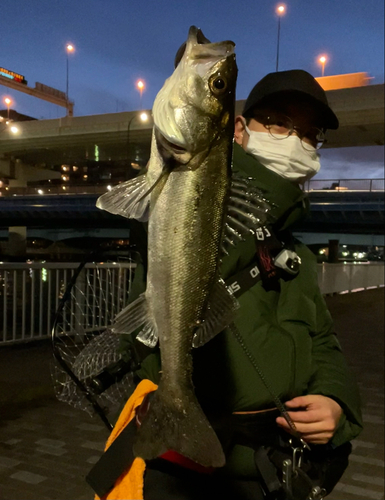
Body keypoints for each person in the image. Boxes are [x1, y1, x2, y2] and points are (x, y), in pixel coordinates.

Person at [92, 70, 363, 500]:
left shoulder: (298, 255)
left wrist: (338, 403)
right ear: (238, 130)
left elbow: (323, 340)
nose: (295, 141)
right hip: (185, 473)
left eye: (310, 134)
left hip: (270, 468)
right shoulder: (197, 207)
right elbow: (145, 343)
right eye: (277, 123)